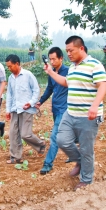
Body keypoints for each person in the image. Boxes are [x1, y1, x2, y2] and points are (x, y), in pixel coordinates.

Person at [43, 35, 106, 191]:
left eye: (71, 50)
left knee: (86, 148)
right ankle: (79, 160)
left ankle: (86, 179)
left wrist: (94, 105)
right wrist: (51, 73)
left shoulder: (95, 65)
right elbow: (66, 82)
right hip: (70, 113)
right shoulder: (72, 67)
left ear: (81, 48)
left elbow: (103, 86)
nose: (69, 54)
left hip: (88, 116)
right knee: (61, 140)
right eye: (67, 51)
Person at [5, 54, 45, 164]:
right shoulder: (11, 78)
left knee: (25, 134)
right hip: (15, 109)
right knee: (13, 133)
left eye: (10, 66)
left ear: (17, 64)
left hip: (26, 109)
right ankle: (16, 157)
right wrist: (8, 110)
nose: (9, 69)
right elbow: (9, 94)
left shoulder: (28, 75)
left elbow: (36, 90)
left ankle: (41, 145)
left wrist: (31, 103)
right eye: (7, 67)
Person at [35, 47, 69, 175]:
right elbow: (49, 89)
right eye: (50, 59)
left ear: (61, 58)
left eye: (54, 59)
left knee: (55, 136)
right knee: (64, 135)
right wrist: (40, 101)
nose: (52, 61)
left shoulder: (68, 72)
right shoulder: (52, 72)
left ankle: (47, 164)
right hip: (55, 109)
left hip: (64, 109)